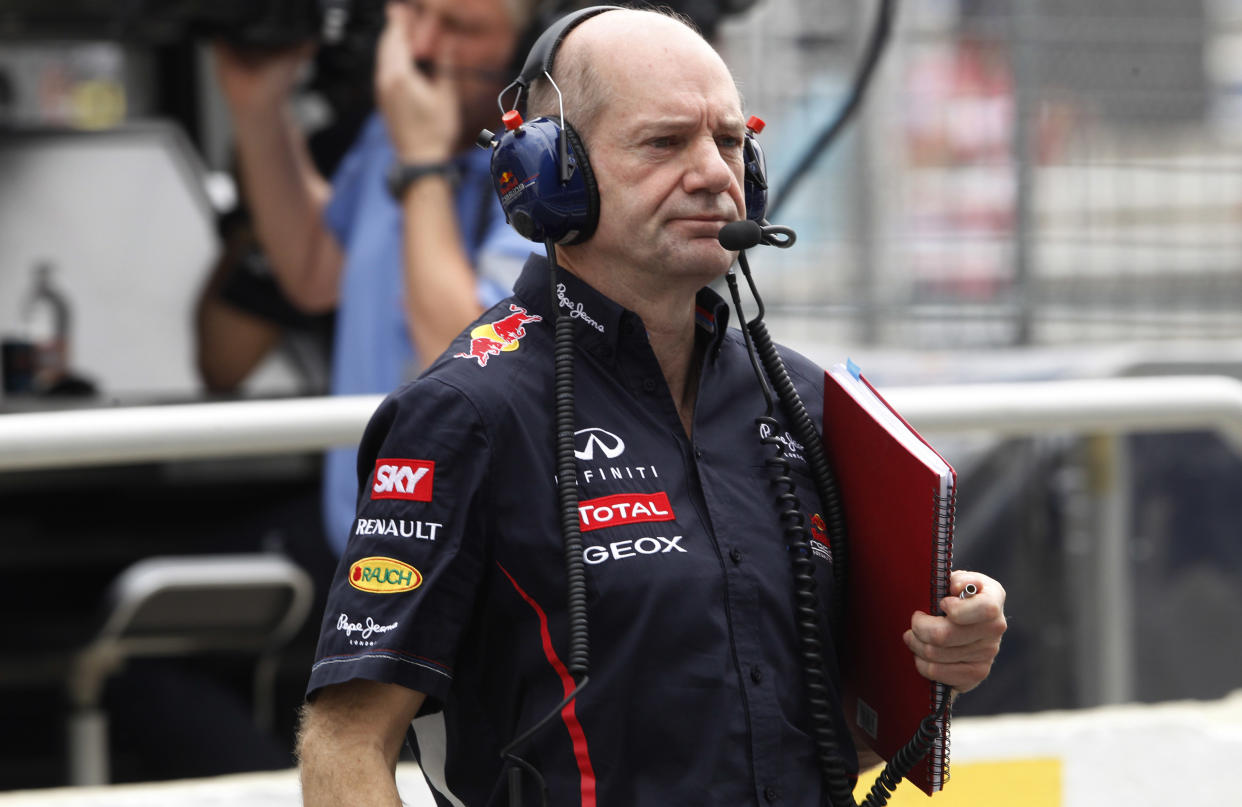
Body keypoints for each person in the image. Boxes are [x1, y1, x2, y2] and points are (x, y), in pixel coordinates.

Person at [297, 7, 1008, 806]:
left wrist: (946, 653)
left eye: (731, 142)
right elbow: (345, 742)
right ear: (552, 169)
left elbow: (839, 732)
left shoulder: (806, 405)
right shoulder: (464, 413)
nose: (714, 172)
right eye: (665, 143)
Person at [212, 0, 536, 554]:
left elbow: (470, 358)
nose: (423, 48)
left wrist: (424, 163)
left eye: (461, 27)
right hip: (369, 553)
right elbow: (315, 274)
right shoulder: (391, 131)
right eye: (413, 13)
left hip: (479, 565)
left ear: (525, 49)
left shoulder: (549, 167)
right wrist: (258, 111)